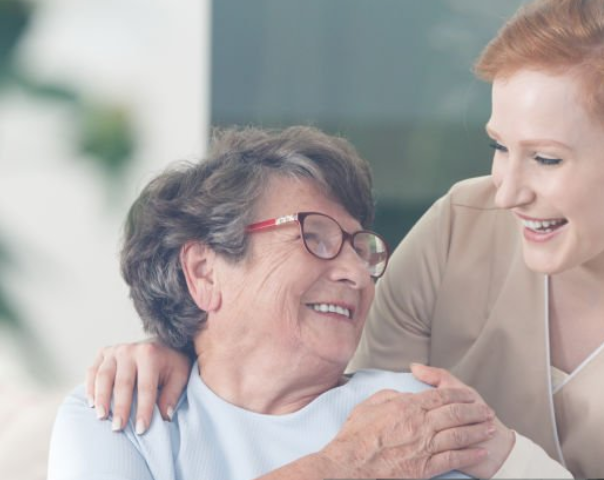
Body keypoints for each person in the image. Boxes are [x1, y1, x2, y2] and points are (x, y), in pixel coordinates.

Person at [82, 0, 604, 477]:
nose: (508, 189)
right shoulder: (465, 224)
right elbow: (324, 403)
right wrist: (183, 340)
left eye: (546, 158)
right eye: (499, 146)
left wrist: (501, 454)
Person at [48, 126, 571, 479]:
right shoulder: (118, 415)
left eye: (358, 246)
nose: (354, 273)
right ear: (205, 272)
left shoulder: (411, 414)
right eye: (315, 236)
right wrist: (349, 465)